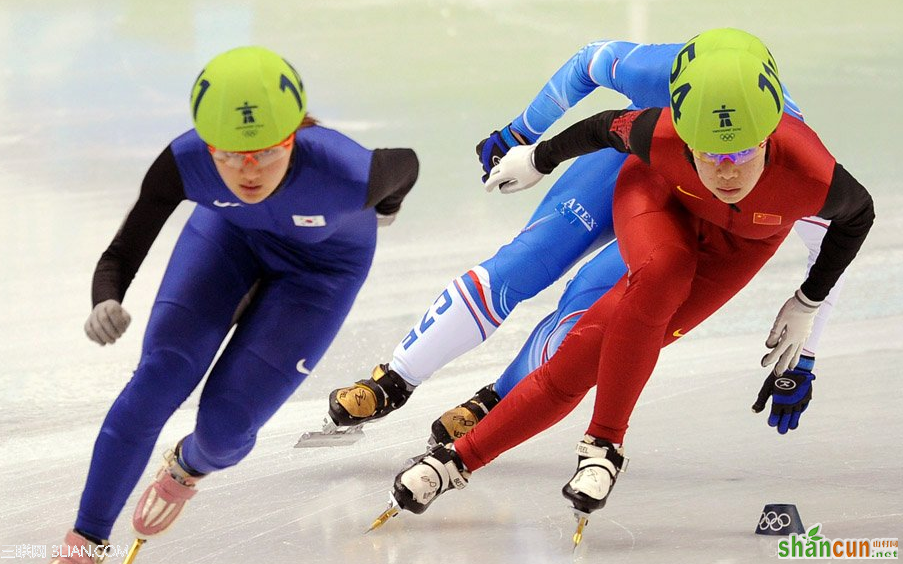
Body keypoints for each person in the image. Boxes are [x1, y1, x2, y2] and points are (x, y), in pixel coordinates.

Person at [384, 28, 874, 531]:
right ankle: (605, 445)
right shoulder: (657, 123)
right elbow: (600, 123)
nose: (727, 172)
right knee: (659, 273)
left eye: (742, 153)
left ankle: (454, 462)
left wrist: (807, 310)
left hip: (738, 244)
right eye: (709, 152)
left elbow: (854, 223)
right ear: (684, 131)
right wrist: (531, 151)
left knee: (593, 348)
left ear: (769, 136)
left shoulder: (812, 171)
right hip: (659, 195)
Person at [321, 31, 842, 447]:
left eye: (737, 153)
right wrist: (524, 135)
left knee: (596, 310)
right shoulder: (664, 74)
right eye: (704, 145)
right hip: (635, 156)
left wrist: (806, 343)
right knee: (527, 262)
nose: (722, 163)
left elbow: (837, 233)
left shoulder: (795, 156)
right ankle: (397, 376)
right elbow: (590, 64)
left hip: (691, 215)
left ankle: (497, 398)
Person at [50, 46, 419, 563]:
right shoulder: (183, 163)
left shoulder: (346, 170)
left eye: (267, 152)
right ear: (208, 144)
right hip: (229, 239)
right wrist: (104, 299)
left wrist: (387, 205)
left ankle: (188, 466)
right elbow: (122, 251)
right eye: (228, 154)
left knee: (225, 432)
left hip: (321, 273)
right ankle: (85, 543)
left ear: (293, 137)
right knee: (158, 378)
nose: (249, 171)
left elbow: (407, 165)